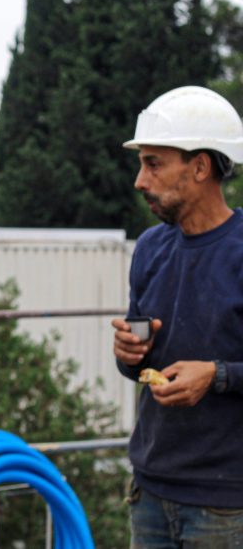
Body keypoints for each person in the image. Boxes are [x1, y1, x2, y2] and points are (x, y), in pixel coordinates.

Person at [113, 85, 243, 545]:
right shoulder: (150, 248)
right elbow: (136, 367)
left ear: (201, 166)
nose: (140, 181)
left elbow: (219, 373)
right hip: (149, 490)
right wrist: (129, 353)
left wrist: (217, 375)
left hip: (225, 504)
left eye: (153, 163)